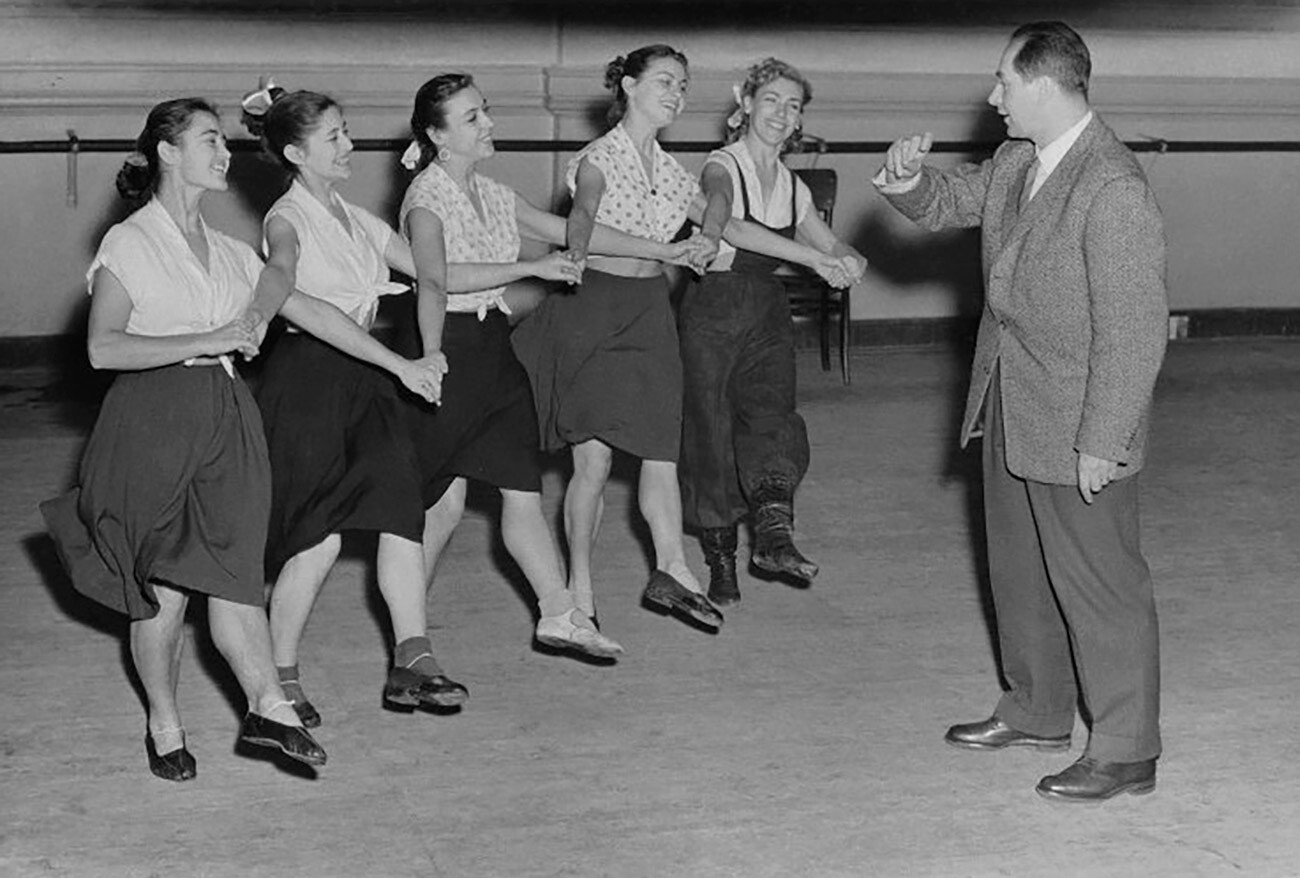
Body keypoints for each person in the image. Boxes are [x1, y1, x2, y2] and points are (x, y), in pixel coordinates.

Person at [875, 21, 1167, 802]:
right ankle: (1037, 709)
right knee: (1021, 569)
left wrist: (1105, 438)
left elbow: (1135, 333)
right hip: (1010, 395)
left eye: (1004, 81)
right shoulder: (1015, 162)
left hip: (1081, 418)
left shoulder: (1112, 186)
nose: (992, 95)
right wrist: (908, 180)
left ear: (1045, 83)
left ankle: (1127, 748)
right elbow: (945, 203)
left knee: (1102, 581)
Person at [512, 45, 853, 633]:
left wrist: (723, 227)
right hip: (594, 311)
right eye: (664, 82)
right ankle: (580, 593)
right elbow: (583, 225)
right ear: (627, 86)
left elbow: (724, 215)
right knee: (591, 465)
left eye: (683, 85)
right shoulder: (599, 157)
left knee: (661, 452)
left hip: (648, 314)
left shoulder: (668, 168)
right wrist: (666, 249)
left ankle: (673, 568)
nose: (676, 94)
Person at [39, 98, 326, 781]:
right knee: (165, 594)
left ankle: (267, 706)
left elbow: (292, 297)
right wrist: (212, 337)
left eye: (225, 142)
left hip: (226, 415)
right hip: (152, 420)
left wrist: (394, 359)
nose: (224, 153)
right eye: (207, 141)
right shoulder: (131, 242)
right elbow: (103, 348)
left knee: (233, 574)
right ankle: (163, 720)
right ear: (167, 152)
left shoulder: (229, 251)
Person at [401, 73, 698, 659]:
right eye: (471, 119)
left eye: (484, 111)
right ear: (438, 136)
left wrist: (666, 250)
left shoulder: (491, 192)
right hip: (450, 349)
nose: (488, 124)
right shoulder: (424, 200)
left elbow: (569, 231)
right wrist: (527, 271)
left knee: (521, 492)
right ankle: (410, 637)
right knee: (444, 507)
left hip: (493, 350)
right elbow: (436, 279)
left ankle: (559, 614)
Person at [238, 83, 465, 724]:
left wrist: (537, 264)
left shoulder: (355, 216)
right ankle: (279, 676)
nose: (349, 145)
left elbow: (434, 270)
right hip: (309, 385)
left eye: (346, 130)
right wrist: (402, 364)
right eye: (333, 136)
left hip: (368, 379)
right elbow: (287, 284)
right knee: (319, 539)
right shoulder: (286, 219)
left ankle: (413, 658)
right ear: (295, 151)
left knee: (401, 509)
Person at [682, 58, 865, 606]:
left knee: (772, 416)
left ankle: (773, 535)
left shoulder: (791, 185)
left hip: (765, 309)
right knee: (710, 433)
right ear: (745, 105)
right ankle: (720, 560)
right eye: (772, 101)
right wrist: (815, 259)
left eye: (794, 106)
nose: (782, 114)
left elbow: (829, 243)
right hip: (713, 309)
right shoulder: (722, 165)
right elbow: (735, 228)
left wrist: (851, 260)